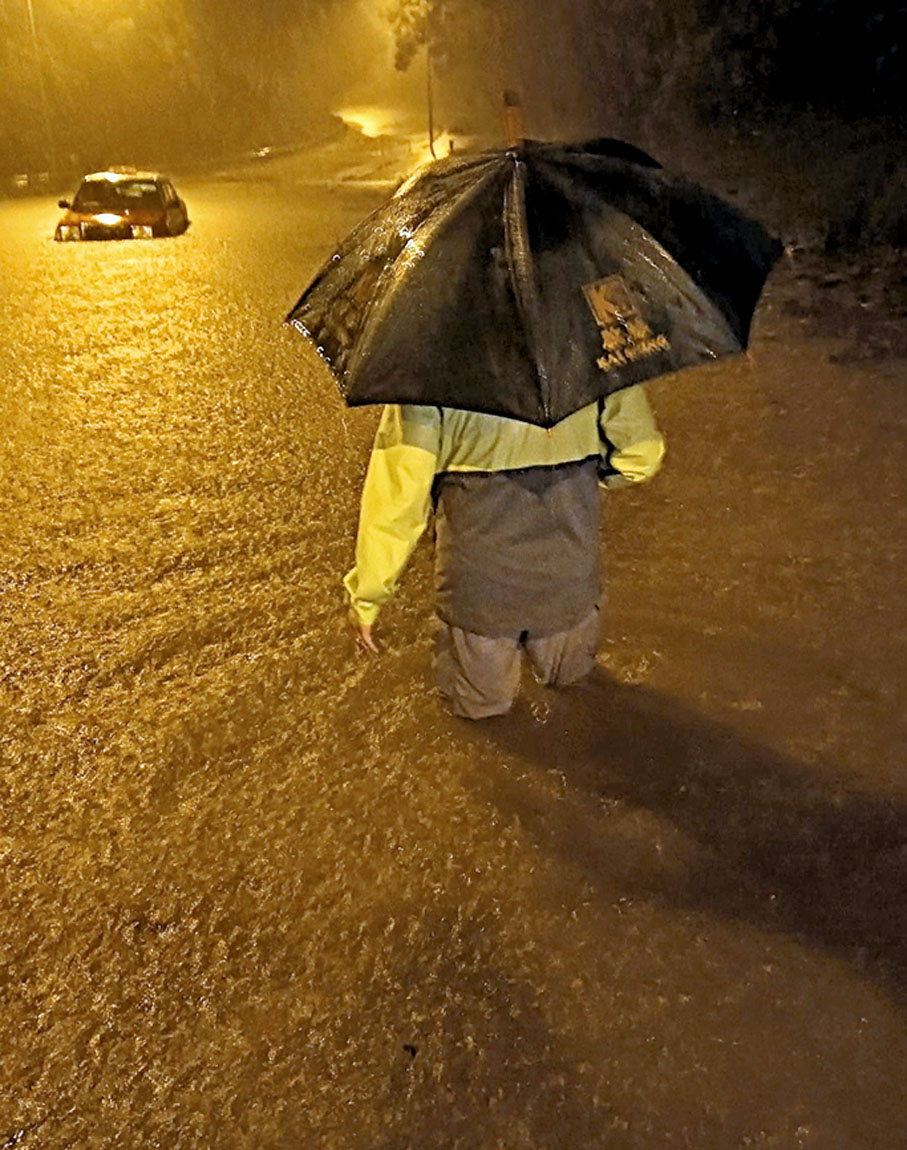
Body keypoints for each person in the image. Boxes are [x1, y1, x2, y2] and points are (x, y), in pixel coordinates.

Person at [344, 387, 665, 719]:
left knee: (480, 716)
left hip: (480, 590)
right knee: (577, 701)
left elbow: (398, 504)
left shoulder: (425, 370)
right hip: (570, 580)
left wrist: (367, 596)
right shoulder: (588, 352)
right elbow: (641, 458)